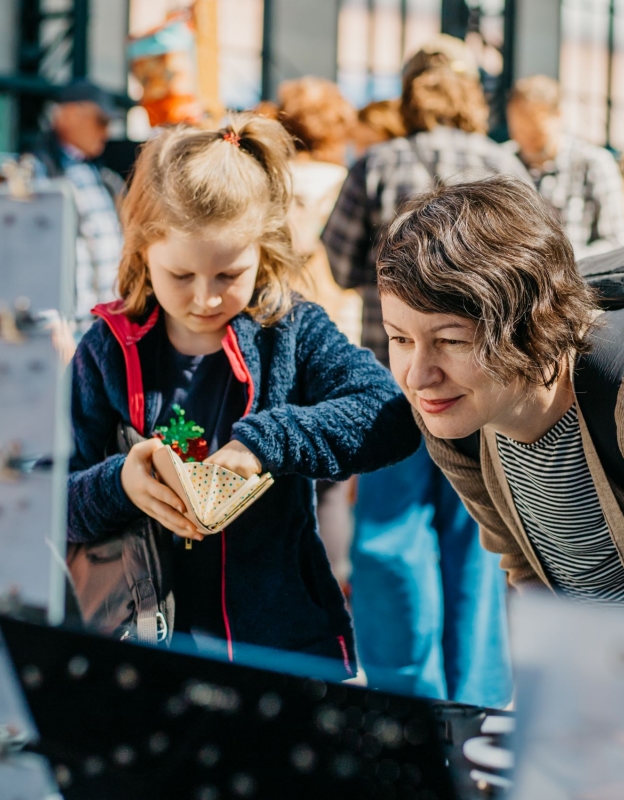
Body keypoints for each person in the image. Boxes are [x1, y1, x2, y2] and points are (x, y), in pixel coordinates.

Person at [67, 114, 420, 673]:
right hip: (139, 648)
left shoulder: (293, 330)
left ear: (265, 252)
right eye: (180, 276)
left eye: (229, 275)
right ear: (141, 253)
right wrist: (121, 484)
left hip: (281, 647)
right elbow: (50, 501)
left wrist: (266, 443)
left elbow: (389, 414)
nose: (205, 298)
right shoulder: (106, 350)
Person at [377, 175, 624, 612]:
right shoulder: (448, 414)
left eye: (451, 341)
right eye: (399, 339)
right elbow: (524, 569)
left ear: (529, 322)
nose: (418, 377)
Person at [323, 35, 527, 707]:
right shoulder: (504, 168)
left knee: (390, 538)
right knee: (478, 543)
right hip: (485, 385)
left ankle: (409, 706)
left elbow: (346, 264)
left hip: (398, 380)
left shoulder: (378, 163)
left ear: (407, 93)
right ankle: (477, 705)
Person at [275, 76, 361, 588]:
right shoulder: (347, 180)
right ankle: (331, 587)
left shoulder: (272, 181)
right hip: (340, 330)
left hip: (279, 329)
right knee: (331, 477)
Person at [505, 74, 624, 258]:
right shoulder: (502, 161)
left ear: (559, 116)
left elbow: (619, 242)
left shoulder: (594, 163)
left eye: (536, 133)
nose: (525, 140)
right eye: (518, 131)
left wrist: (562, 263)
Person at [28, 80, 125, 325]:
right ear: (70, 116)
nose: (106, 132)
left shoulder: (98, 173)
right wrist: (51, 320)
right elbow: (35, 254)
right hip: (67, 326)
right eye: (101, 121)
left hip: (103, 323)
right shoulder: (37, 172)